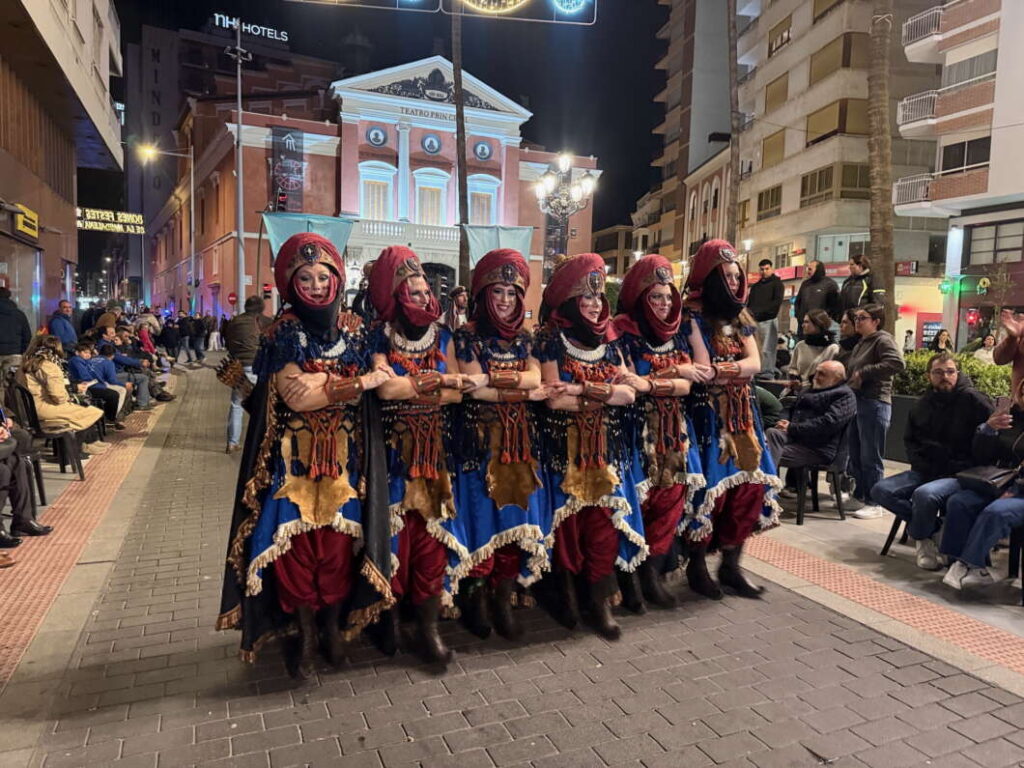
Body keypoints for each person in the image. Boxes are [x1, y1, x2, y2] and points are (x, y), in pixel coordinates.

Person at [217, 233, 395, 677]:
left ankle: (332, 627)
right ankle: (305, 632)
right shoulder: (283, 332)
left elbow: (326, 385)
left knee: (337, 550)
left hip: (344, 460)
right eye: (305, 278)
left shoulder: (356, 328)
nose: (316, 285)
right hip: (293, 463)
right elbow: (296, 399)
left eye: (323, 276)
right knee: (295, 552)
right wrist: (357, 382)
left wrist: (326, 384)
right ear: (291, 285)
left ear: (336, 279)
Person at [535, 251, 646, 640]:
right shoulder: (551, 339)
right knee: (566, 524)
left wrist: (582, 389)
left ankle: (598, 599)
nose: (594, 304)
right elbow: (552, 398)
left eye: (599, 298)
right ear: (570, 302)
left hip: (604, 447)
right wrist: (605, 393)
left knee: (602, 525)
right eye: (586, 298)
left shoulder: (610, 341)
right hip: (562, 447)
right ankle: (566, 593)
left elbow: (629, 395)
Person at [368, 245, 471, 664]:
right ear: (393, 295)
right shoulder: (377, 335)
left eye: (424, 288)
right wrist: (435, 384)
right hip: (391, 454)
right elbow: (385, 389)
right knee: (395, 537)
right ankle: (389, 618)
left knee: (430, 536)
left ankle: (427, 625)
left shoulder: (444, 336)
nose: (421, 295)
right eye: (410, 289)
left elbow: (458, 392)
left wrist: (412, 384)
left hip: (434, 453)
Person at [451, 248, 551, 640]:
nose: (506, 300)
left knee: (515, 519)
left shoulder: (526, 337)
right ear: (482, 296)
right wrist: (520, 386)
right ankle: (475, 600)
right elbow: (475, 391)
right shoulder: (466, 335)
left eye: (513, 293)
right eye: (498, 292)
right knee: (480, 519)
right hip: (479, 441)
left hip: (522, 441)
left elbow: (535, 378)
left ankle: (503, 598)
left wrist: (495, 380)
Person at [682, 239, 780, 600]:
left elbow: (755, 365)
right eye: (726, 276)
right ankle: (696, 567)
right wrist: (731, 370)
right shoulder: (691, 315)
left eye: (738, 276)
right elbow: (705, 371)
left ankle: (732, 565)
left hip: (743, 416)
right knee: (711, 493)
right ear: (709, 278)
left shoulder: (742, 317)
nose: (735, 283)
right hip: (708, 417)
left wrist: (729, 371)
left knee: (748, 490)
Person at [614, 253, 709, 612]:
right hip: (635, 430)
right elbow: (627, 382)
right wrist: (676, 375)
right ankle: (630, 575)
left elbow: (695, 378)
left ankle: (651, 573)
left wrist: (655, 381)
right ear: (640, 296)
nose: (664, 303)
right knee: (638, 500)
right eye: (656, 296)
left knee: (672, 498)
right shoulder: (621, 328)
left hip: (675, 430)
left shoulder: (681, 327)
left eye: (669, 296)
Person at [871, 352, 992, 569]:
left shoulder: (974, 400)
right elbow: (910, 441)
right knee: (881, 490)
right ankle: (932, 529)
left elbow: (990, 439)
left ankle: (922, 540)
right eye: (938, 372)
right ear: (929, 376)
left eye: (950, 371)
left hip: (961, 472)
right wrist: (922, 465)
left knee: (925, 495)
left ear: (957, 373)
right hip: (926, 469)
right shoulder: (922, 404)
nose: (945, 376)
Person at [939, 384, 1024, 589]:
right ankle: (961, 562)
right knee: (960, 501)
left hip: (1019, 492)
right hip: (999, 482)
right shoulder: (1010, 417)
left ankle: (966, 564)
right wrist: (988, 430)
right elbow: (982, 456)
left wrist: (1015, 489)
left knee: (996, 512)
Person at [844, 303, 905, 519]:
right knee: (857, 452)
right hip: (858, 401)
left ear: (876, 321)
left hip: (875, 402)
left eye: (863, 318)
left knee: (871, 455)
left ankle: (875, 501)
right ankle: (860, 494)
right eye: (857, 317)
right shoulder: (862, 342)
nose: (858, 321)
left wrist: (865, 372)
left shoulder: (883, 340)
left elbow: (897, 363)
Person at [16, 335, 106, 455]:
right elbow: (58, 397)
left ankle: (87, 443)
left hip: (27, 410)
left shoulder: (25, 364)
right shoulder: (48, 366)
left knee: (79, 408)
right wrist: (69, 396)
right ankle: (77, 449)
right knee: (91, 411)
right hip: (43, 410)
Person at [766, 360, 856, 473]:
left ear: (836, 378)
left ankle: (764, 486)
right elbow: (790, 408)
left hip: (817, 448)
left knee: (764, 453)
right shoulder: (811, 389)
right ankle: (766, 483)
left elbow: (827, 424)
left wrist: (792, 427)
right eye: (816, 372)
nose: (816, 377)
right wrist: (784, 421)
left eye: (822, 374)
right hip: (796, 438)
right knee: (772, 433)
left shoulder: (844, 395)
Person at [222, 296, 272, 454]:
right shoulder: (266, 321)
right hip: (259, 367)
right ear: (261, 308)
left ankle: (232, 442)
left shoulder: (234, 321)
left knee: (236, 405)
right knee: (263, 406)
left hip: (239, 366)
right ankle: (263, 442)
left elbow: (228, 342)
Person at [67, 343, 125, 430]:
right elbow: (85, 377)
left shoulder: (87, 361)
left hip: (93, 384)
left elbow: (95, 375)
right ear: (77, 353)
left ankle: (109, 418)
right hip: (86, 387)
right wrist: (98, 383)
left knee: (113, 393)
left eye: (89, 353)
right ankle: (109, 420)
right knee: (113, 395)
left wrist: (101, 383)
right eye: (85, 352)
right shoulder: (76, 361)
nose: (88, 355)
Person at [783, 309, 839, 397]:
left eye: (806, 322)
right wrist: (795, 379)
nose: (802, 325)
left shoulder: (832, 349)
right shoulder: (800, 346)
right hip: (797, 393)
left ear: (818, 324)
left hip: (820, 394)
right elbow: (792, 368)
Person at [747, 259, 784, 377]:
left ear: (771, 269)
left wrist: (762, 313)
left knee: (767, 348)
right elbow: (750, 303)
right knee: (754, 346)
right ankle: (756, 369)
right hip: (754, 321)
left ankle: (767, 371)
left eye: (767, 269)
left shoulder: (777, 284)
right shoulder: (755, 287)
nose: (764, 271)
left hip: (769, 320)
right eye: (762, 269)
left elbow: (776, 303)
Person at [0, 287, 32, 395]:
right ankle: (15, 410)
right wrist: (21, 351)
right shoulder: (19, 314)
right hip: (14, 354)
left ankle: (1, 410)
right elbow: (27, 335)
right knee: (14, 386)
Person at [794, 260, 840, 327]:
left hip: (820, 326)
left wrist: (822, 319)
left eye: (810, 269)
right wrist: (799, 316)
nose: (807, 271)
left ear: (818, 270)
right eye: (807, 269)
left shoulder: (830, 284)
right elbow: (798, 302)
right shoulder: (805, 284)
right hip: (803, 325)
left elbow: (835, 306)